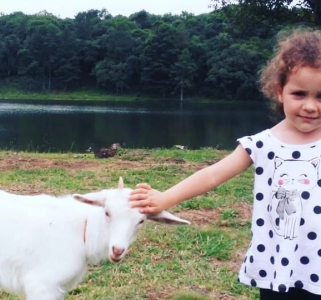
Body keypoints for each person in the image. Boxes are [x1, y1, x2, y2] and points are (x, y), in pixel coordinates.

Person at [129, 28, 321, 300]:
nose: (311, 106)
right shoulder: (262, 143)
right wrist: (165, 198)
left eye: (320, 96)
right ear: (280, 91)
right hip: (280, 264)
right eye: (299, 94)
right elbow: (213, 175)